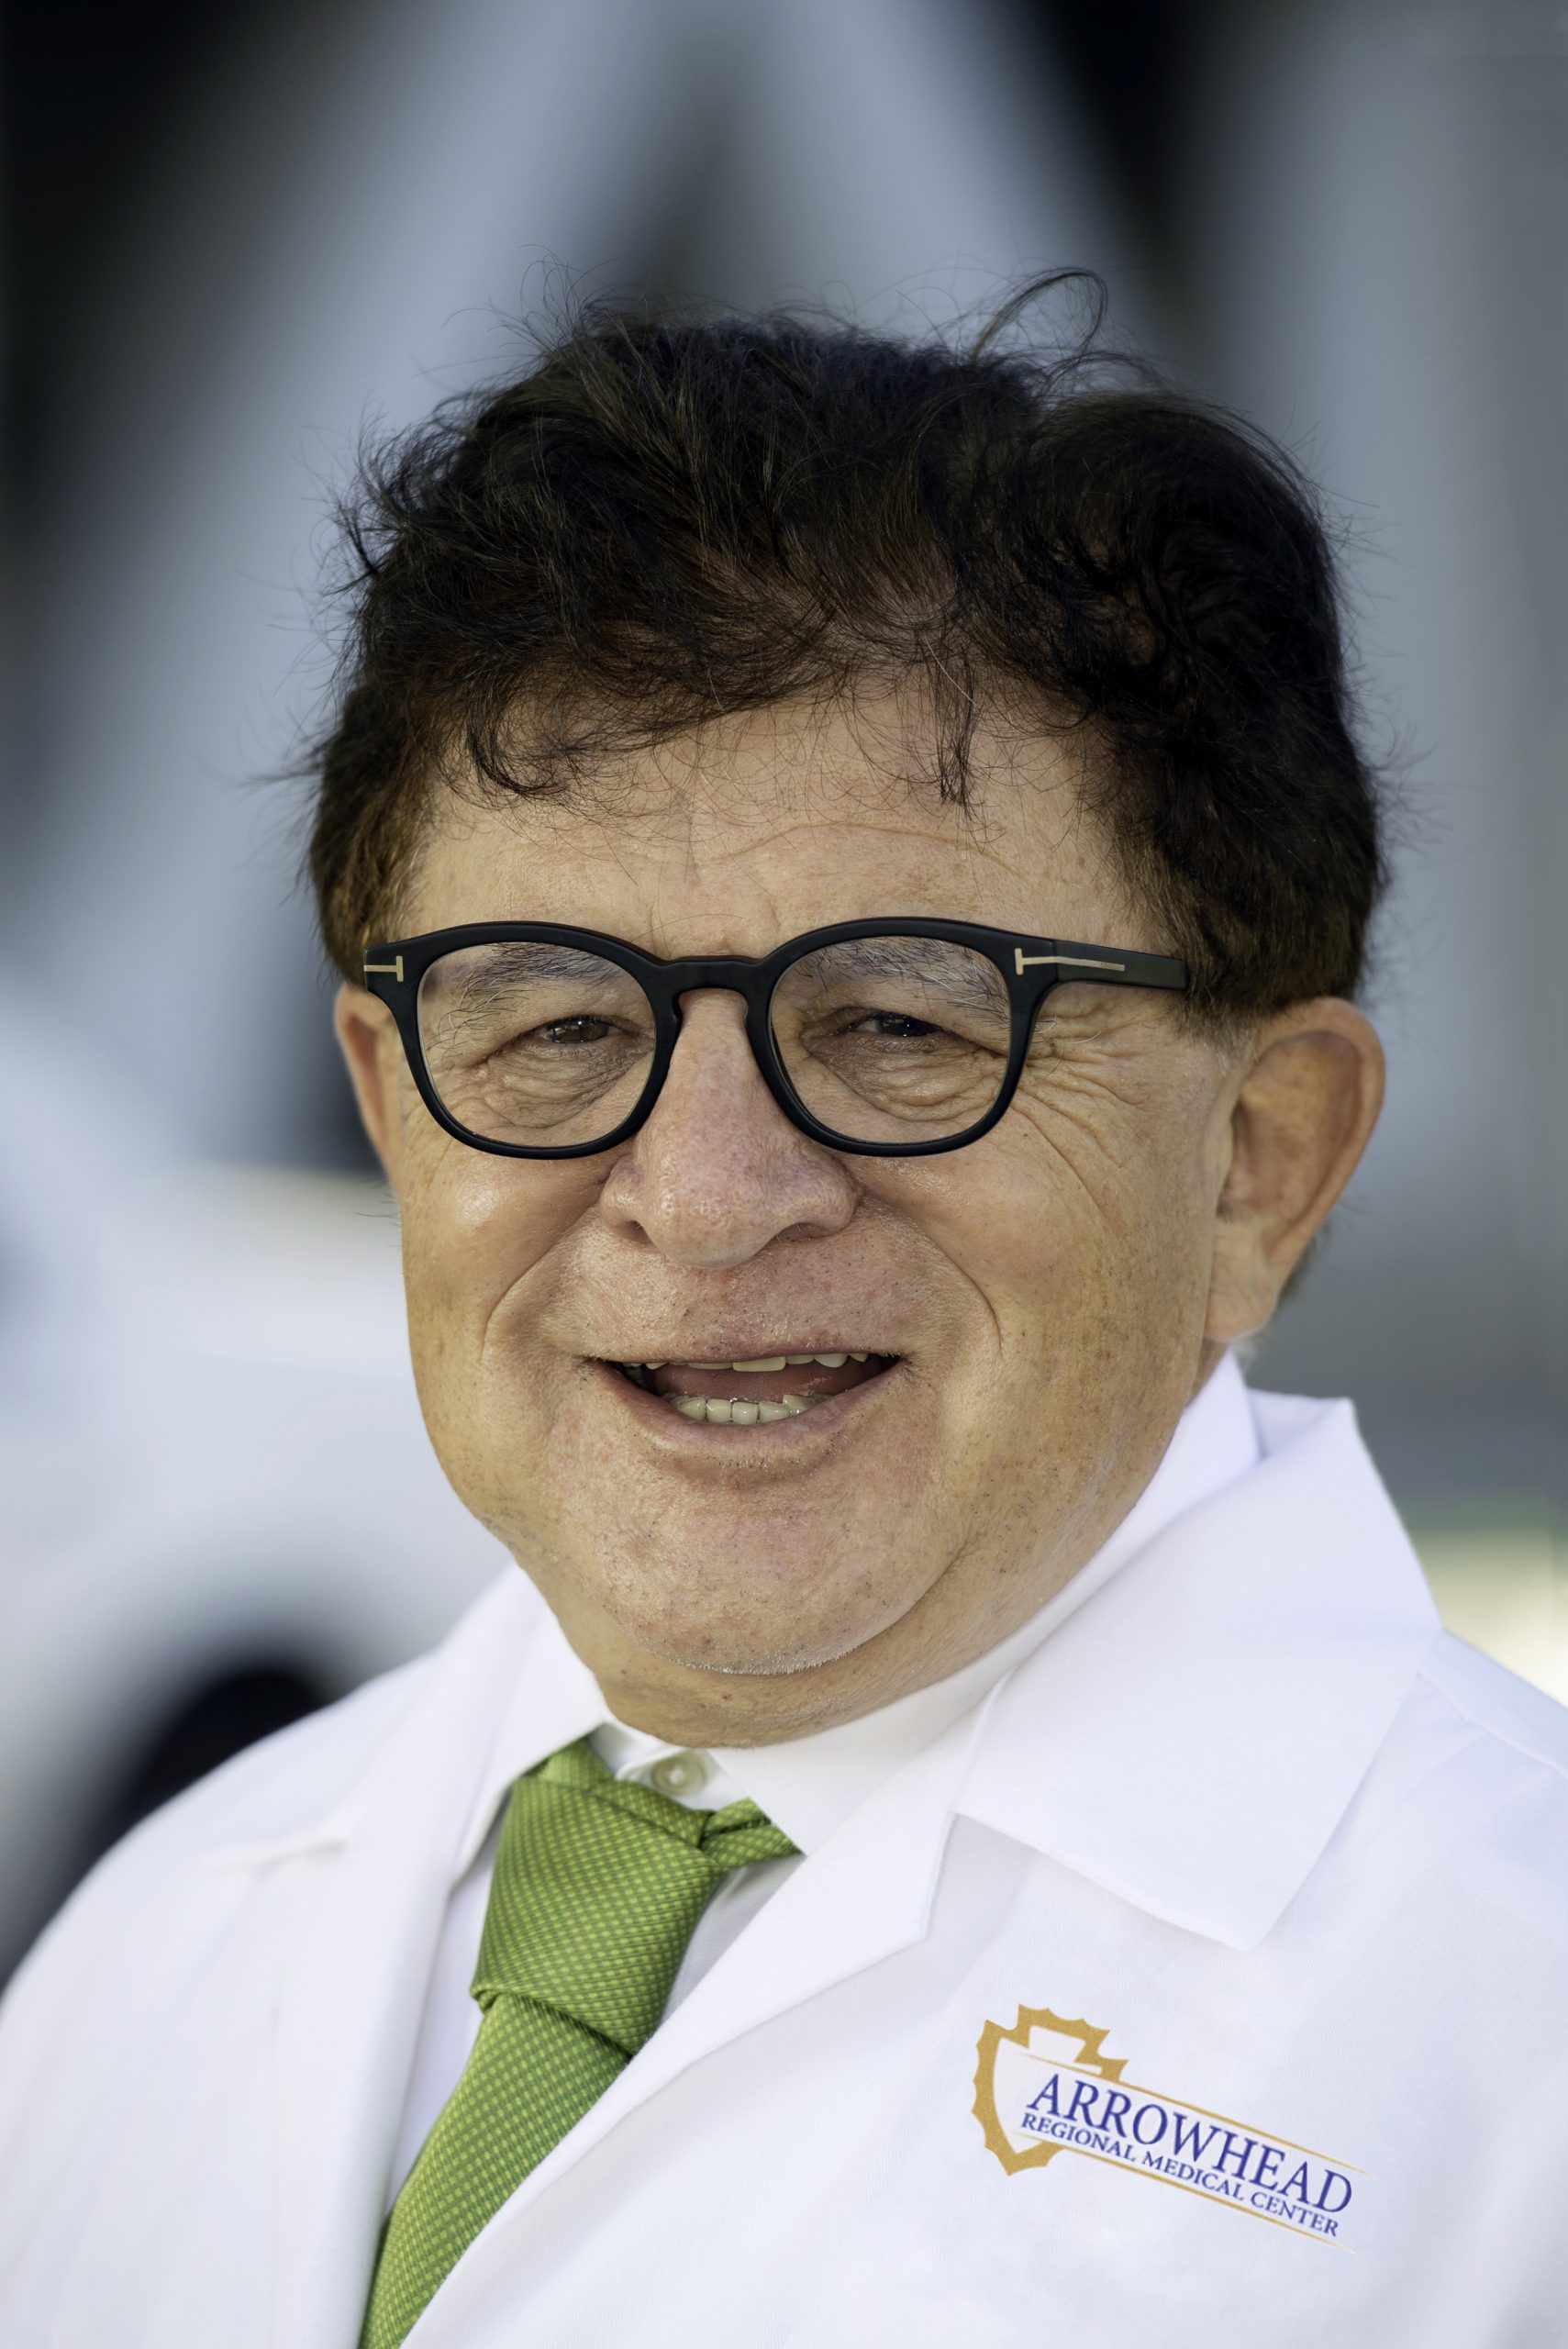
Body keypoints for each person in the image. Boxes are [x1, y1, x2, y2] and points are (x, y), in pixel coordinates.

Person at [2, 281, 1563, 2349]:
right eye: (554, 1018)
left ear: (1261, 1157)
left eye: (905, 1021)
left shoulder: (1514, 2034)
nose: (712, 1197)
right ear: (391, 1104)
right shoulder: (157, 1935)